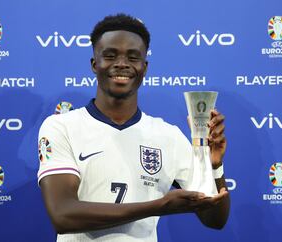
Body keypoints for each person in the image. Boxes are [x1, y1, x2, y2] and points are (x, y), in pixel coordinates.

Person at [37, 13, 230, 242]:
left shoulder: (168, 135)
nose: (121, 64)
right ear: (94, 64)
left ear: (144, 67)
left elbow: (215, 220)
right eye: (110, 55)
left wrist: (214, 166)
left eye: (132, 57)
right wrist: (157, 206)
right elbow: (63, 215)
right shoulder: (61, 127)